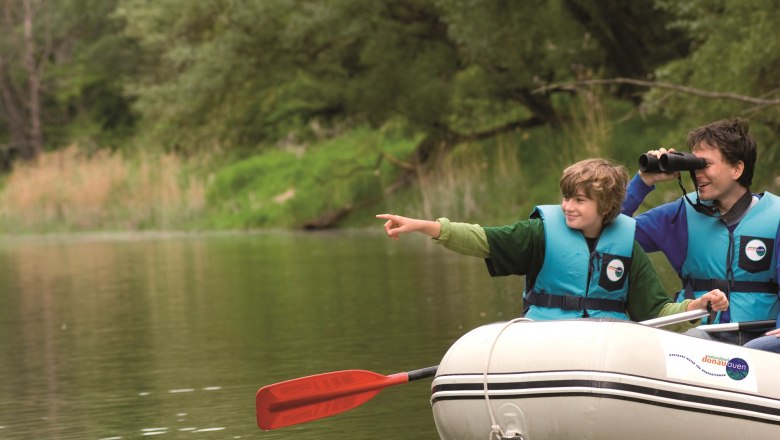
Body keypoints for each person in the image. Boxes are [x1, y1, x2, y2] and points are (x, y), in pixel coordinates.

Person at [377, 158, 727, 331]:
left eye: (578, 201)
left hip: (606, 351)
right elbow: (482, 239)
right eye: (566, 198)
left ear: (605, 207)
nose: (567, 207)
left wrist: (696, 306)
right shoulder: (540, 233)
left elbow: (656, 313)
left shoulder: (626, 246)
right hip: (547, 341)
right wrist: (424, 226)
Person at [622, 118, 780, 352]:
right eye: (694, 164)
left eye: (705, 164)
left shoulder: (775, 217)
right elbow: (608, 232)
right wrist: (644, 181)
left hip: (759, 340)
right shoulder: (680, 215)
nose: (697, 174)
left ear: (737, 168)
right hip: (697, 338)